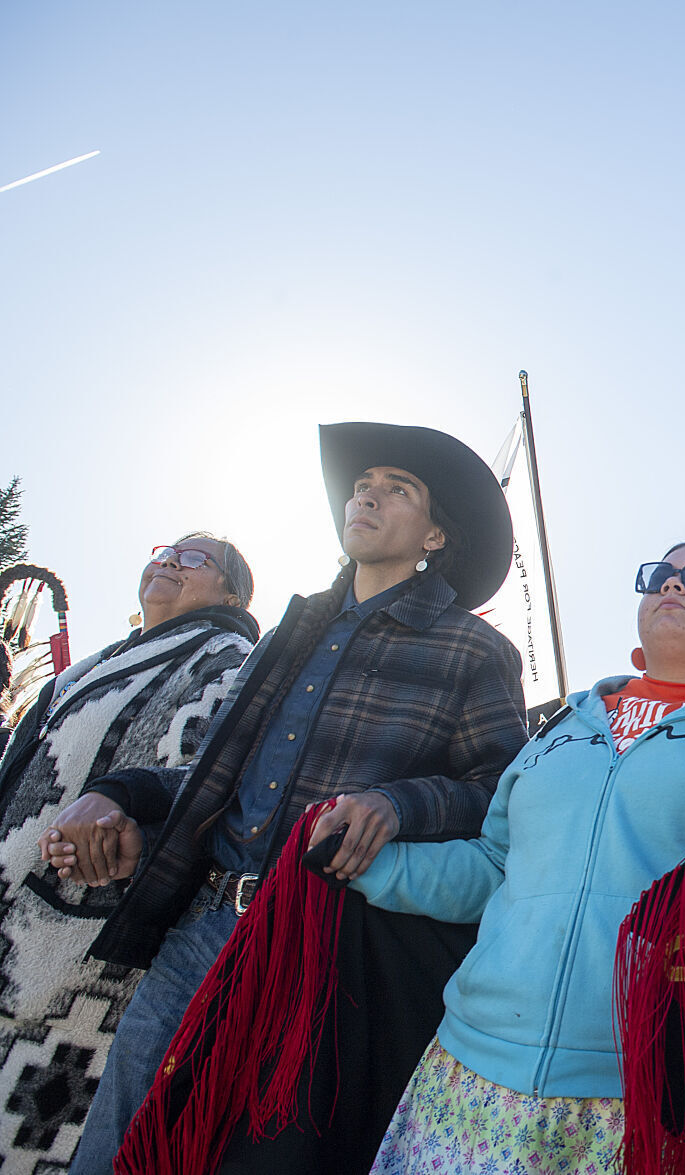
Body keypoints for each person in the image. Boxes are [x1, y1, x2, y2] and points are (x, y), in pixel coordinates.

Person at [41, 422, 530, 1174]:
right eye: (365, 480)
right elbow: (216, 776)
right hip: (201, 924)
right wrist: (115, 793)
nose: (368, 490)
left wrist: (396, 804)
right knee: (115, 1144)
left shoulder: (475, 649)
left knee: (242, 1152)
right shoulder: (293, 630)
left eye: (399, 487)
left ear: (434, 534)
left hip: (319, 943)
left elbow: (499, 790)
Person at [347, 538, 685, 1175]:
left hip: (660, 1092)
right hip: (471, 1067)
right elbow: (494, 867)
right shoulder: (562, 724)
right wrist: (368, 865)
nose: (672, 586)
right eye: (659, 575)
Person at [0, 534, 257, 1169]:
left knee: (35, 1130)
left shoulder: (231, 661)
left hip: (88, 941)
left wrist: (125, 816)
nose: (169, 560)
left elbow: (214, 782)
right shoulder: (91, 665)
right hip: (13, 910)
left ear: (232, 593)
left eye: (195, 558)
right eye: (166, 549)